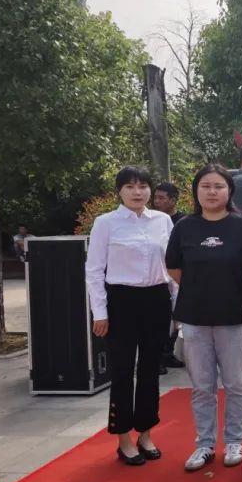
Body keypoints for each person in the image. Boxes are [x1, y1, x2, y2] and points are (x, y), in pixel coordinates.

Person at [165, 164, 242, 472]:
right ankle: (204, 444)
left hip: (233, 316)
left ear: (229, 191)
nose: (212, 192)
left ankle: (234, 441)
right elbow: (174, 268)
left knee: (237, 384)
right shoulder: (184, 227)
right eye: (206, 186)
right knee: (202, 386)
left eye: (218, 186)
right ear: (196, 191)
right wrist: (200, 287)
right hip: (194, 317)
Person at [85, 166, 174, 466]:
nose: (137, 192)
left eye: (143, 186)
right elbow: (94, 270)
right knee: (123, 370)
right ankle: (123, 438)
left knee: (151, 369)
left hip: (156, 299)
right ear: (119, 191)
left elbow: (172, 267)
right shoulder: (106, 223)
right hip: (121, 301)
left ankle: (145, 433)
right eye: (130, 187)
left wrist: (177, 306)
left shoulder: (162, 220)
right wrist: (100, 312)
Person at [152, 182, 186, 370]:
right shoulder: (150, 220)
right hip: (157, 275)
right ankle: (157, 358)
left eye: (161, 198)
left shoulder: (184, 221)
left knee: (177, 317)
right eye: (155, 198)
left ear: (173, 200)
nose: (157, 202)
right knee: (160, 319)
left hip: (178, 274)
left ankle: (168, 353)